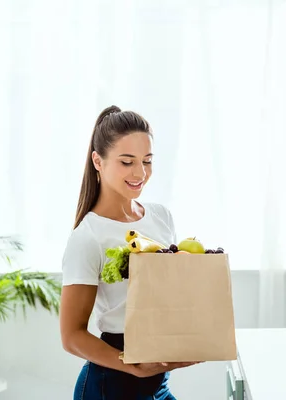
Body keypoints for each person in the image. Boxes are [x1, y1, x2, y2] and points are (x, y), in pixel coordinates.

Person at [59, 105, 198, 400]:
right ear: (98, 161)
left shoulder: (161, 217)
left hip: (157, 385)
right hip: (111, 387)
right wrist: (132, 365)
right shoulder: (89, 236)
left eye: (147, 161)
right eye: (127, 162)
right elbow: (71, 336)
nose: (140, 173)